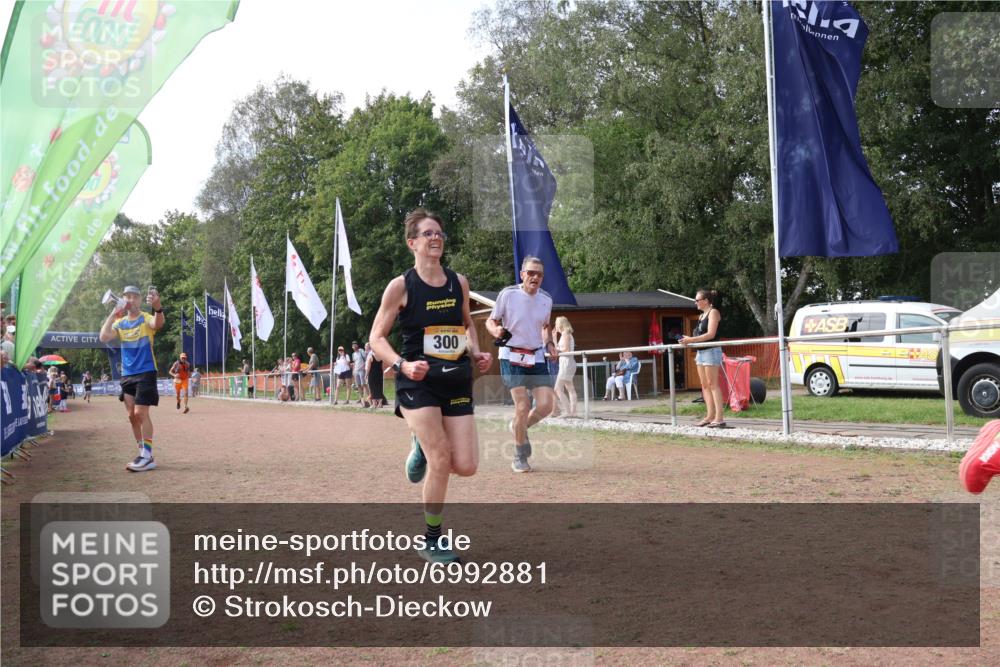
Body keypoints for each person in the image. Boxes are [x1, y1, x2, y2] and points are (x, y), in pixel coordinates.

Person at [369, 208, 492, 564]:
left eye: (439, 233)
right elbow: (377, 338)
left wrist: (477, 350)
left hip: (455, 379)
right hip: (417, 383)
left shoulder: (459, 282)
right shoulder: (401, 286)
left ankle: (419, 445)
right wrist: (402, 364)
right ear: (412, 243)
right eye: (428, 234)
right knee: (441, 457)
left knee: (466, 465)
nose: (435, 238)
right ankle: (432, 539)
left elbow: (467, 324)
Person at [485, 255, 556, 473]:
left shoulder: (546, 299)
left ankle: (519, 427)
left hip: (535, 355)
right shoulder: (508, 294)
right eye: (531, 273)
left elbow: (546, 326)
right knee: (523, 406)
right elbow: (491, 320)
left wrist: (550, 343)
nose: (535, 277)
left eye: (539, 274)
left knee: (546, 406)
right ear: (522, 274)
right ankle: (519, 455)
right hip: (511, 355)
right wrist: (495, 330)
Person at [99, 285, 164, 472]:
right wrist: (114, 312)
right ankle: (143, 452)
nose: (130, 299)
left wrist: (158, 308)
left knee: (140, 413)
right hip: (127, 374)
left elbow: (158, 324)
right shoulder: (120, 323)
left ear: (140, 300)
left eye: (134, 296)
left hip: (146, 371)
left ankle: (147, 456)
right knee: (131, 416)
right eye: (127, 296)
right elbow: (103, 337)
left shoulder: (146, 317)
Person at [680, 288, 725, 427]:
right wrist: (689, 340)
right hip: (701, 352)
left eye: (697, 300)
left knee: (713, 384)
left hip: (711, 351)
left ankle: (719, 417)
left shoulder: (714, 312)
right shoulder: (700, 316)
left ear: (706, 301)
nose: (695, 302)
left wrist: (691, 340)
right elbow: (700, 336)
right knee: (705, 385)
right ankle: (709, 416)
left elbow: (711, 334)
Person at [552, 316, 577, 417]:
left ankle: (568, 412)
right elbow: (558, 349)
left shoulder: (566, 333)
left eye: (556, 324)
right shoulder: (564, 334)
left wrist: (558, 350)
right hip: (567, 363)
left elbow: (566, 350)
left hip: (566, 363)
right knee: (570, 388)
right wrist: (554, 339)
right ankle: (573, 412)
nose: (555, 326)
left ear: (560, 324)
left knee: (557, 389)